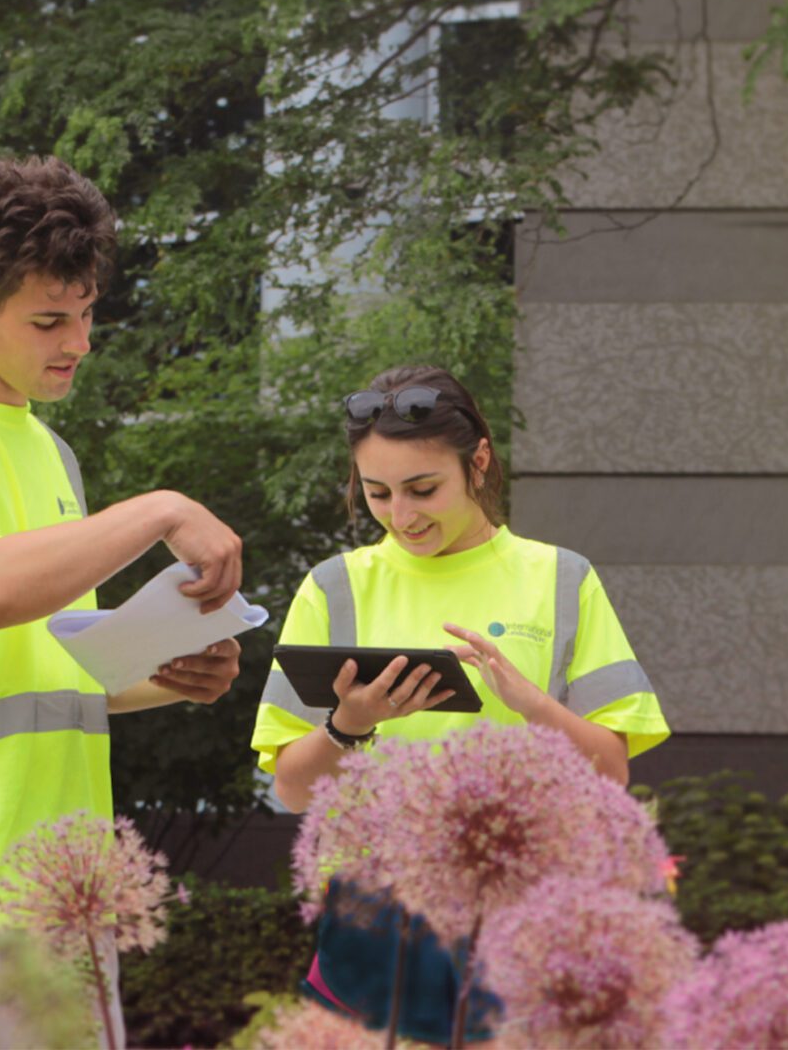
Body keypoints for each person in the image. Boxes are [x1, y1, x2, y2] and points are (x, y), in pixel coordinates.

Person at [0, 154, 243, 1043]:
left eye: (88, 311)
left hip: (61, 892)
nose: (79, 341)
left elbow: (54, 667)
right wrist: (159, 508)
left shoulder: (49, 453)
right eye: (49, 320)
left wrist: (162, 673)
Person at [251, 363, 670, 1044]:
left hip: (528, 924)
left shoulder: (560, 580)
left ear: (478, 463)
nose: (403, 516)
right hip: (375, 920)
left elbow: (611, 774)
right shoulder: (333, 589)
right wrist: (349, 726)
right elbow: (294, 790)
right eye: (379, 493)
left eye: (423, 488)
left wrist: (530, 701)